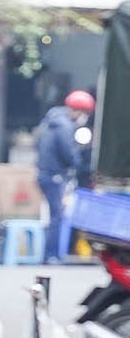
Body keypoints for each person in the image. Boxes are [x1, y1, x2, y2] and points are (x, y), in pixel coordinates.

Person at [38, 89, 94, 263]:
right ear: (77, 110)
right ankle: (51, 256)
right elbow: (68, 153)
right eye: (84, 113)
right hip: (55, 175)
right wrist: (83, 166)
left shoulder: (50, 121)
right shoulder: (64, 126)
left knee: (53, 215)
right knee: (57, 217)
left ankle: (51, 254)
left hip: (45, 173)